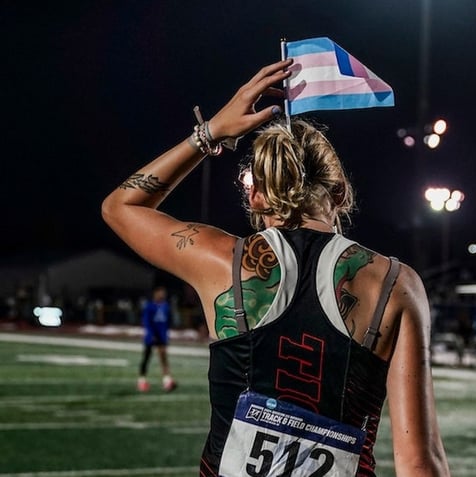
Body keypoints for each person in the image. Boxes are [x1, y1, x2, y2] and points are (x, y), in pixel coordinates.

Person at [102, 60, 450, 476]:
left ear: (256, 199)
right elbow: (419, 463)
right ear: (340, 192)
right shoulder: (395, 284)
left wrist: (210, 132)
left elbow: (120, 206)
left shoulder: (224, 261)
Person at [137, 285, 177, 392]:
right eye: (161, 292)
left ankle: (167, 380)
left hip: (162, 335)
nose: (162, 295)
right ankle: (142, 380)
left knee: (163, 357)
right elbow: (146, 322)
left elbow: (168, 321)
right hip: (151, 336)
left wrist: (165, 334)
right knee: (147, 357)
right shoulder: (150, 306)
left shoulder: (166, 306)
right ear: (155, 293)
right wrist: (151, 334)